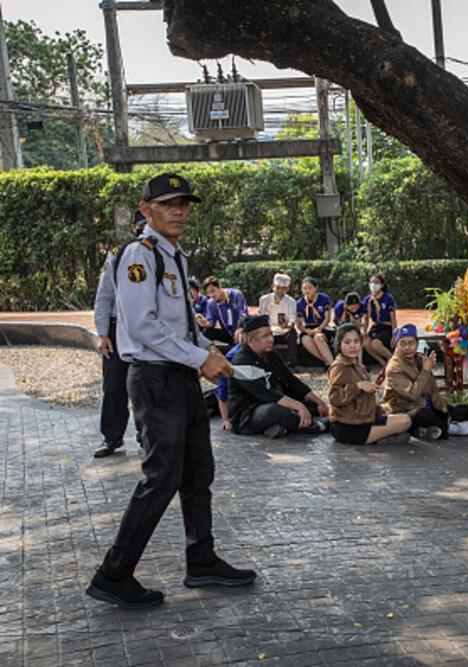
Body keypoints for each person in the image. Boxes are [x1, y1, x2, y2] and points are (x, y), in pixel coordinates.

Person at [86, 172, 254, 611]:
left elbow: (180, 326)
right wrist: (200, 359)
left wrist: (208, 350)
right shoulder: (138, 257)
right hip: (155, 378)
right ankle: (114, 573)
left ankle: (201, 560)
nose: (178, 211)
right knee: (161, 478)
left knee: (198, 473)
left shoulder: (173, 256)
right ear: (147, 211)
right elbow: (142, 326)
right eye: (167, 204)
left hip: (178, 374)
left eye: (183, 204)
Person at [92, 209, 146, 458]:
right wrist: (103, 333)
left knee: (148, 385)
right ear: (134, 228)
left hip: (148, 329)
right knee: (114, 386)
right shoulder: (119, 255)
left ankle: (147, 436)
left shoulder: (168, 255)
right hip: (118, 328)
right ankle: (112, 438)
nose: (145, 229)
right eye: (141, 225)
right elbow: (104, 297)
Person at [227, 315, 330, 438]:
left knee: (311, 406)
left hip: (274, 400)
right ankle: (316, 427)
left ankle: (280, 426)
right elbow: (266, 394)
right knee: (275, 411)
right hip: (249, 413)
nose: (271, 339)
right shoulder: (241, 361)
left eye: (271, 335)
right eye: (265, 336)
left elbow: (291, 381)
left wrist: (319, 402)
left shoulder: (271, 355)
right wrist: (299, 406)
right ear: (251, 340)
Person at [384, 324, 468, 440]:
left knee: (465, 409)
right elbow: (412, 394)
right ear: (397, 346)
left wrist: (442, 407)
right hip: (406, 410)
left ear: (417, 344)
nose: (407, 348)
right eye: (402, 344)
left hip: (427, 406)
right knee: (421, 414)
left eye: (411, 343)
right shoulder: (394, 367)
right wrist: (425, 370)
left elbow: (433, 390)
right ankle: (448, 429)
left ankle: (429, 428)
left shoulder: (419, 359)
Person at [327, 322, 412, 445]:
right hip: (349, 427)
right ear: (339, 345)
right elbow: (334, 398)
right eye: (347, 342)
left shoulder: (356, 364)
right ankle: (379, 439)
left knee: (402, 416)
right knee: (405, 421)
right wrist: (358, 386)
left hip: (362, 419)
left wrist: (379, 409)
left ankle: (382, 436)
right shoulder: (339, 366)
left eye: (356, 342)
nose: (352, 346)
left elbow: (360, 400)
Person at [257, 272, 298, 365]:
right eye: (278, 288)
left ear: (287, 289)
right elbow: (261, 317)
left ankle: (291, 362)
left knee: (292, 333)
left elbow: (292, 320)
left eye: (283, 289)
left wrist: (286, 325)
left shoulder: (291, 302)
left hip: (284, 331)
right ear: (273, 286)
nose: (280, 291)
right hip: (269, 331)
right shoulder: (264, 299)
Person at [296, 276, 334, 367]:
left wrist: (319, 328)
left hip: (322, 326)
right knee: (305, 339)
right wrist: (306, 331)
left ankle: (333, 364)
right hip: (308, 327)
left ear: (316, 288)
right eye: (304, 288)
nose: (307, 290)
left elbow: (327, 318)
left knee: (318, 338)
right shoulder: (300, 303)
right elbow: (299, 324)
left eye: (310, 288)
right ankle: (326, 361)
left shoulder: (324, 298)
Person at [200, 276, 248, 345]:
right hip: (227, 334)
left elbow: (243, 314)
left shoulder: (235, 294)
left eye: (213, 291)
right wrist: (206, 323)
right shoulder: (211, 303)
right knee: (206, 331)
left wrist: (239, 329)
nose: (211, 295)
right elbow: (211, 321)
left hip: (240, 331)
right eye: (208, 293)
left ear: (219, 286)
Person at [361, 274, 396, 367]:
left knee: (375, 344)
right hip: (376, 326)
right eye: (371, 282)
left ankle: (394, 360)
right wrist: (364, 331)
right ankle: (382, 362)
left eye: (376, 282)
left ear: (382, 285)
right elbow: (366, 319)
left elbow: (393, 318)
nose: (373, 285)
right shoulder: (368, 299)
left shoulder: (388, 298)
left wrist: (394, 335)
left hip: (387, 326)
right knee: (365, 343)